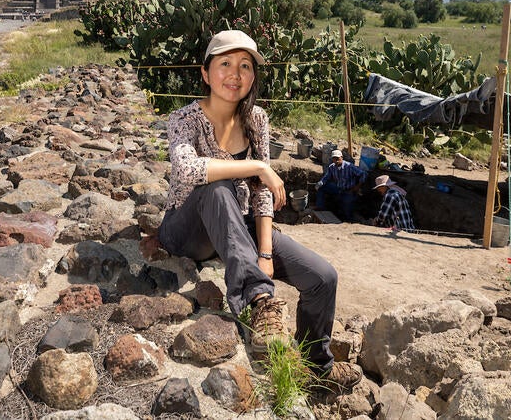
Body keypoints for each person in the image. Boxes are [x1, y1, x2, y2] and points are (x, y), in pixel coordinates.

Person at [157, 29, 362, 390]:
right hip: (186, 229)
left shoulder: (258, 121)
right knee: (215, 186)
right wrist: (256, 167)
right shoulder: (183, 119)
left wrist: (265, 251)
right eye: (225, 64)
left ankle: (317, 366)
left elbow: (261, 196)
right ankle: (259, 298)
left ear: (253, 76)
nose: (235, 74)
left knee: (322, 277)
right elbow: (189, 169)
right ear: (206, 74)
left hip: (238, 225)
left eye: (245, 66)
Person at [314, 149, 367, 221]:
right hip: (338, 188)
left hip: (348, 190)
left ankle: (348, 220)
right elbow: (326, 177)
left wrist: (357, 187)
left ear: (342, 157)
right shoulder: (332, 167)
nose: (336, 161)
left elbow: (363, 174)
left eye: (337, 158)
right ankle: (320, 207)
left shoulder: (349, 166)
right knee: (322, 187)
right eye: (334, 159)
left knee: (346, 208)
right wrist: (320, 183)